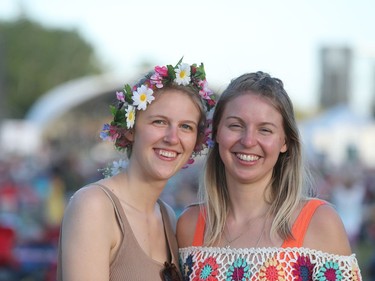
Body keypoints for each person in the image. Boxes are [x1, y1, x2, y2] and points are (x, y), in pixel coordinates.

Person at [177, 71, 363, 280]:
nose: (248, 141)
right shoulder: (190, 225)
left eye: (265, 130)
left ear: (285, 142)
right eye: (236, 125)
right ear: (217, 132)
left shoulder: (319, 223)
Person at [57, 59, 216, 281]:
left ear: (196, 141)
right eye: (159, 122)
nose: (172, 138)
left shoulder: (168, 217)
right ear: (130, 129)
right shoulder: (95, 206)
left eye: (186, 127)